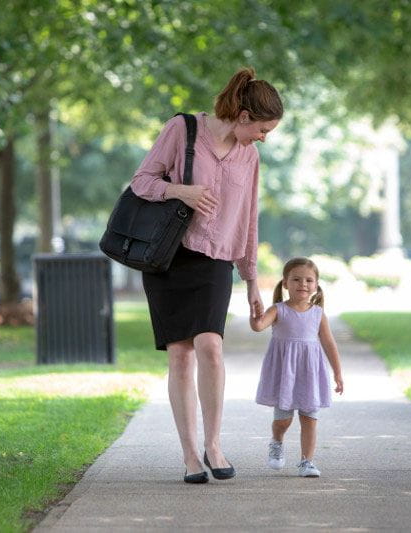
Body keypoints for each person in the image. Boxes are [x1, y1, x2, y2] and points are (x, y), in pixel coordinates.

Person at [129, 67, 283, 484]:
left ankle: (213, 445)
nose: (264, 138)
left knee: (211, 347)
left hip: (216, 260)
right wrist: (181, 190)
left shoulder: (249, 157)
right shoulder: (183, 130)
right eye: (263, 129)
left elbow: (248, 219)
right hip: (168, 256)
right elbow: (141, 182)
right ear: (244, 116)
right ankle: (189, 455)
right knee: (180, 354)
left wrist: (251, 280)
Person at [250, 257, 344, 477]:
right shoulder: (278, 310)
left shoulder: (318, 314)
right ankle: (277, 440)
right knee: (283, 420)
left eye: (309, 280)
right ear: (285, 283)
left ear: (316, 285)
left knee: (310, 419)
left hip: (310, 374)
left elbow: (329, 343)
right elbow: (259, 326)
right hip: (285, 374)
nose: (303, 284)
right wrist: (255, 315)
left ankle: (306, 462)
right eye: (296, 279)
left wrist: (338, 373)